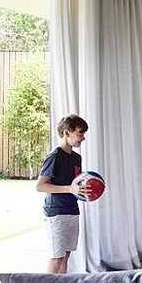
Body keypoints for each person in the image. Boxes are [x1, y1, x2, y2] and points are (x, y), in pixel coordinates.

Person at [36, 114, 89, 273]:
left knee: (66, 255)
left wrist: (89, 187)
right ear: (67, 133)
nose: (83, 138)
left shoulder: (76, 158)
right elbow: (40, 186)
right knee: (57, 257)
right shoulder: (54, 157)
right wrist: (69, 189)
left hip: (72, 210)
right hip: (56, 212)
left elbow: (74, 183)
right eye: (80, 133)